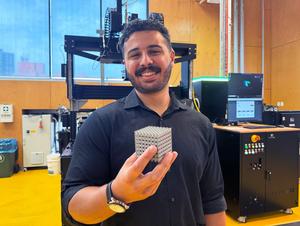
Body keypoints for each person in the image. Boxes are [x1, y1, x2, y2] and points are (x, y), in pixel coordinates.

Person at [62, 19, 227, 226]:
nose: (145, 61)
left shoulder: (201, 125)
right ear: (125, 64)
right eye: (134, 54)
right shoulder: (100, 123)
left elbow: (212, 201)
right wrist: (116, 194)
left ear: (172, 57)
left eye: (154, 51)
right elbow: (74, 207)